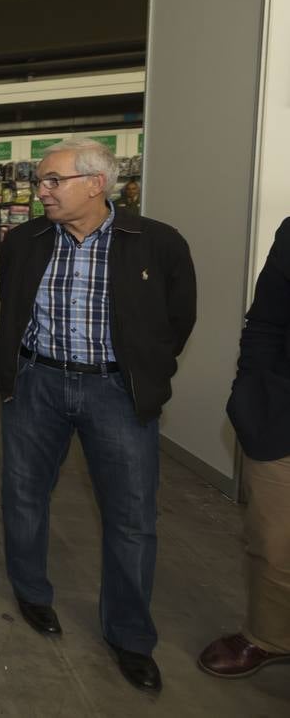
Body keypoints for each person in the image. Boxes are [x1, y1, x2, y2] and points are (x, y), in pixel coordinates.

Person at [0, 138, 196, 694]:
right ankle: (31, 592)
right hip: (37, 384)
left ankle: (129, 636)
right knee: (23, 496)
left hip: (116, 392)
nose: (41, 191)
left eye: (53, 180)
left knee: (132, 518)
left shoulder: (156, 243)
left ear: (96, 184)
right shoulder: (26, 241)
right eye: (41, 180)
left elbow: (178, 320)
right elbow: (11, 305)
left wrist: (143, 372)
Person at [199, 217, 290, 678]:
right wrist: (249, 392)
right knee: (273, 541)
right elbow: (266, 323)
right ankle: (268, 636)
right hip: (282, 419)